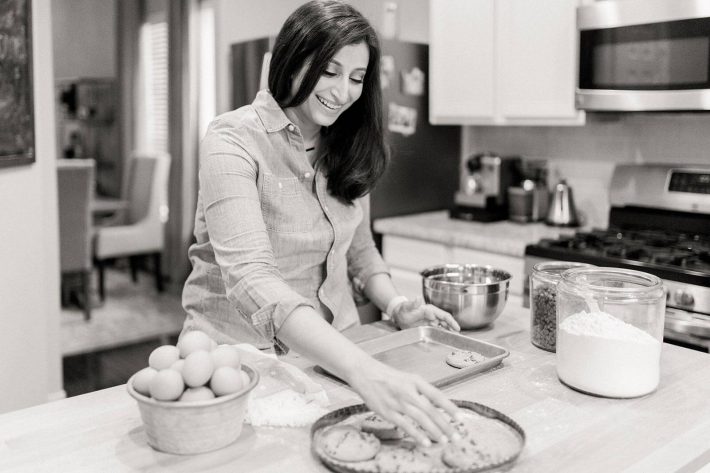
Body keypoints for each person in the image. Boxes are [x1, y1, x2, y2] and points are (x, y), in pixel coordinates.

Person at [181, 0, 463, 445]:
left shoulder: (348, 145)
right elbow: (251, 276)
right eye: (329, 72)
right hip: (238, 363)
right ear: (293, 60)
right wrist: (362, 368)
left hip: (336, 356)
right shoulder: (232, 139)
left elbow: (360, 250)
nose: (343, 92)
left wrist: (396, 307)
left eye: (356, 78)